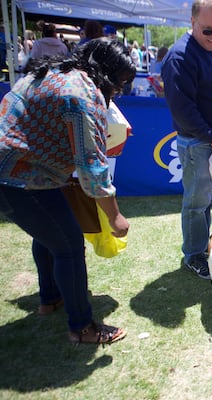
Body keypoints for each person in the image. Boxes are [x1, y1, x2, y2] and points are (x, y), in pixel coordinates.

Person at [0, 38, 136, 344]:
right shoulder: (83, 94)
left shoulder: (54, 71)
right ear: (107, 73)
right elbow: (91, 165)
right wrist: (114, 218)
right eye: (121, 82)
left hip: (17, 172)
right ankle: (82, 327)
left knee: (49, 235)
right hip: (21, 176)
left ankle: (50, 299)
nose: (120, 91)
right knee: (69, 246)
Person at [161, 0, 212, 280]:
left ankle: (203, 247)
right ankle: (195, 254)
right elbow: (183, 110)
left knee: (208, 199)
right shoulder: (179, 57)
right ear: (192, 21)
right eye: (207, 30)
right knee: (196, 203)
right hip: (199, 143)